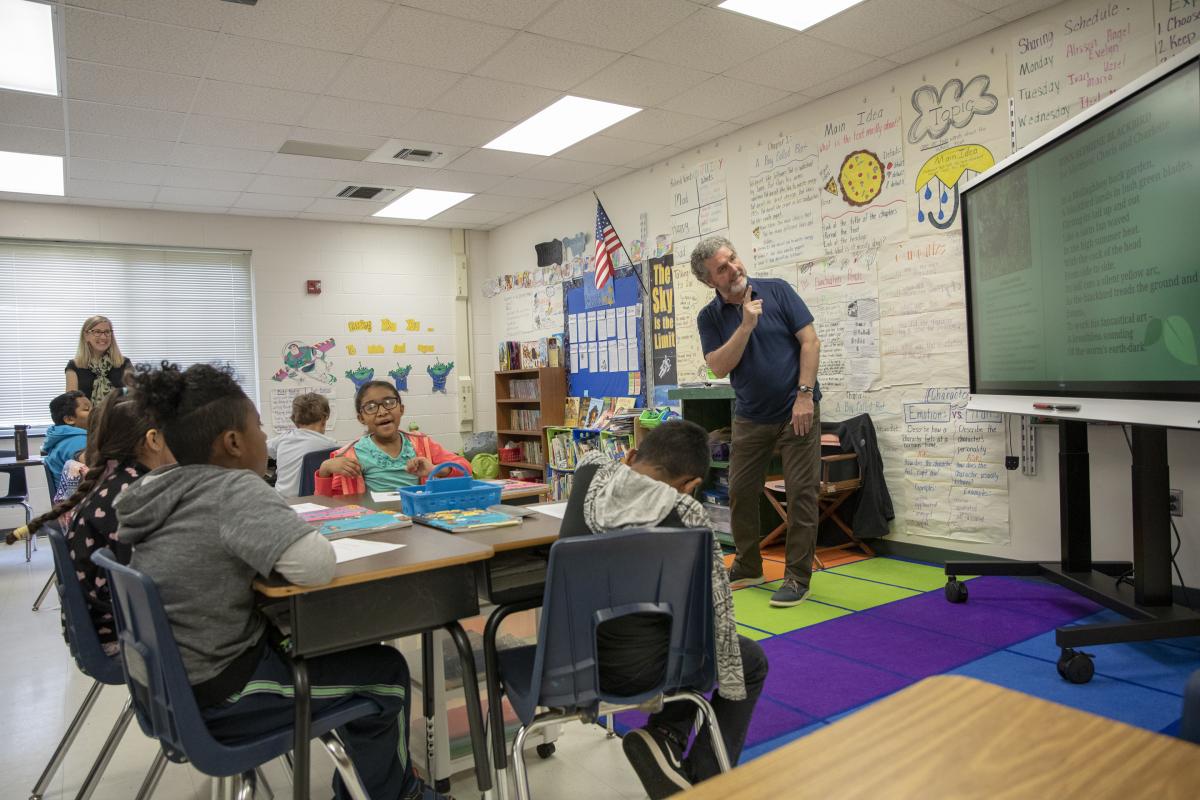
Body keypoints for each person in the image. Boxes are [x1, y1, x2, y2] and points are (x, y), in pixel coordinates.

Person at [115, 362, 443, 800]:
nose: (267, 438)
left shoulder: (159, 487)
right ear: (233, 443)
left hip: (169, 688)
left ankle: (361, 788)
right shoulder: (234, 489)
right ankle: (399, 795)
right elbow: (316, 565)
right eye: (259, 427)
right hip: (225, 694)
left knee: (343, 649)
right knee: (385, 672)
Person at [560, 420, 768, 799]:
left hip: (566, 665)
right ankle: (702, 777)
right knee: (746, 659)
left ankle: (666, 740)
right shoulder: (686, 515)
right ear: (691, 486)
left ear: (631, 455)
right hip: (641, 672)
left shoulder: (587, 473)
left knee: (678, 638)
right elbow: (713, 616)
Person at [692, 235, 822, 608]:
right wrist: (746, 325)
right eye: (722, 268)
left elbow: (810, 343)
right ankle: (749, 565)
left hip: (796, 409)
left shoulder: (778, 291)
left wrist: (804, 395)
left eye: (733, 259)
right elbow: (718, 367)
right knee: (740, 491)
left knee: (801, 493)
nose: (734, 268)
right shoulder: (710, 317)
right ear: (709, 281)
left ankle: (798, 577)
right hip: (750, 415)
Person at [7, 390, 174, 653]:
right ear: (152, 439)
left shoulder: (115, 481)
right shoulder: (132, 494)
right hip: (122, 634)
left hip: (102, 626)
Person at [315, 380, 469, 496]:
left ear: (401, 409)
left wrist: (436, 470)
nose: (382, 412)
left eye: (389, 403)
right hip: (374, 522)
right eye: (371, 407)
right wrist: (325, 470)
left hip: (419, 518)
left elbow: (466, 469)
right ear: (361, 418)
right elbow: (325, 505)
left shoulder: (422, 444)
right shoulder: (350, 455)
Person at [268, 392, 337, 497]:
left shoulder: (283, 439)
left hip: (282, 502)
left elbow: (260, 449)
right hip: (312, 503)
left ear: (294, 420)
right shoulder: (332, 446)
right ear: (324, 418)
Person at [65, 315, 130, 406]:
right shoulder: (74, 366)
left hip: (120, 418)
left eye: (107, 332)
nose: (103, 337)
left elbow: (135, 397)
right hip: (88, 419)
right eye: (97, 332)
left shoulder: (124, 363)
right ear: (86, 335)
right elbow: (71, 406)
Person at [41, 390, 92, 484]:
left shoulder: (60, 439)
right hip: (82, 497)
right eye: (87, 409)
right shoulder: (78, 441)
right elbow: (95, 468)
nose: (94, 412)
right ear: (69, 419)